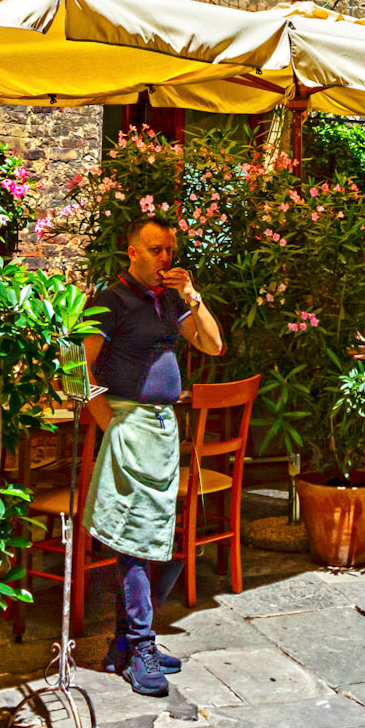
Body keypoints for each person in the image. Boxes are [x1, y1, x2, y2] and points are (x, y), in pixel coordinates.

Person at [81, 212, 224, 695]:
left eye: (171, 250)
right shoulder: (110, 301)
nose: (167, 258)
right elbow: (74, 370)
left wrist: (192, 296)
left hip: (161, 429)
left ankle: (124, 644)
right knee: (135, 538)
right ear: (133, 252)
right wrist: (112, 425)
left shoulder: (168, 300)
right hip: (130, 426)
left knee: (146, 534)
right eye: (157, 249)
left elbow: (214, 344)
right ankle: (139, 645)